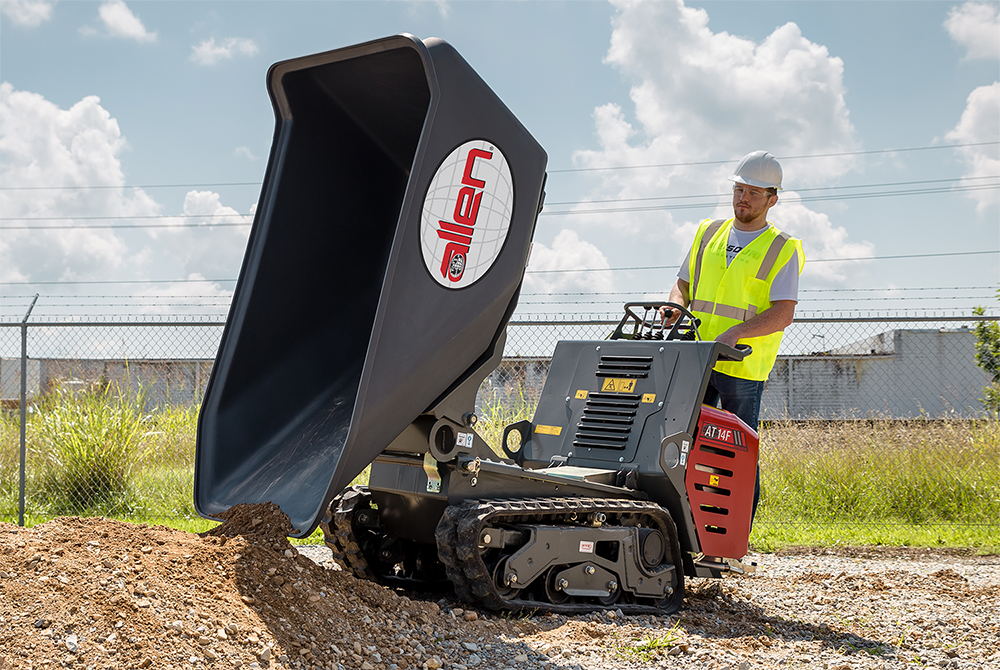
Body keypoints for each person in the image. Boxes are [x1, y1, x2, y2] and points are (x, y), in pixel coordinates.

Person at [661, 150, 804, 521]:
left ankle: (732, 534)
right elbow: (682, 284)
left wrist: (738, 331)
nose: (744, 198)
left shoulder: (781, 248)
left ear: (773, 199)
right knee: (681, 444)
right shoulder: (709, 232)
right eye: (740, 189)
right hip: (696, 358)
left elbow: (783, 313)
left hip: (742, 366)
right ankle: (689, 526)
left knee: (736, 454)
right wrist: (676, 305)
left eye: (755, 192)